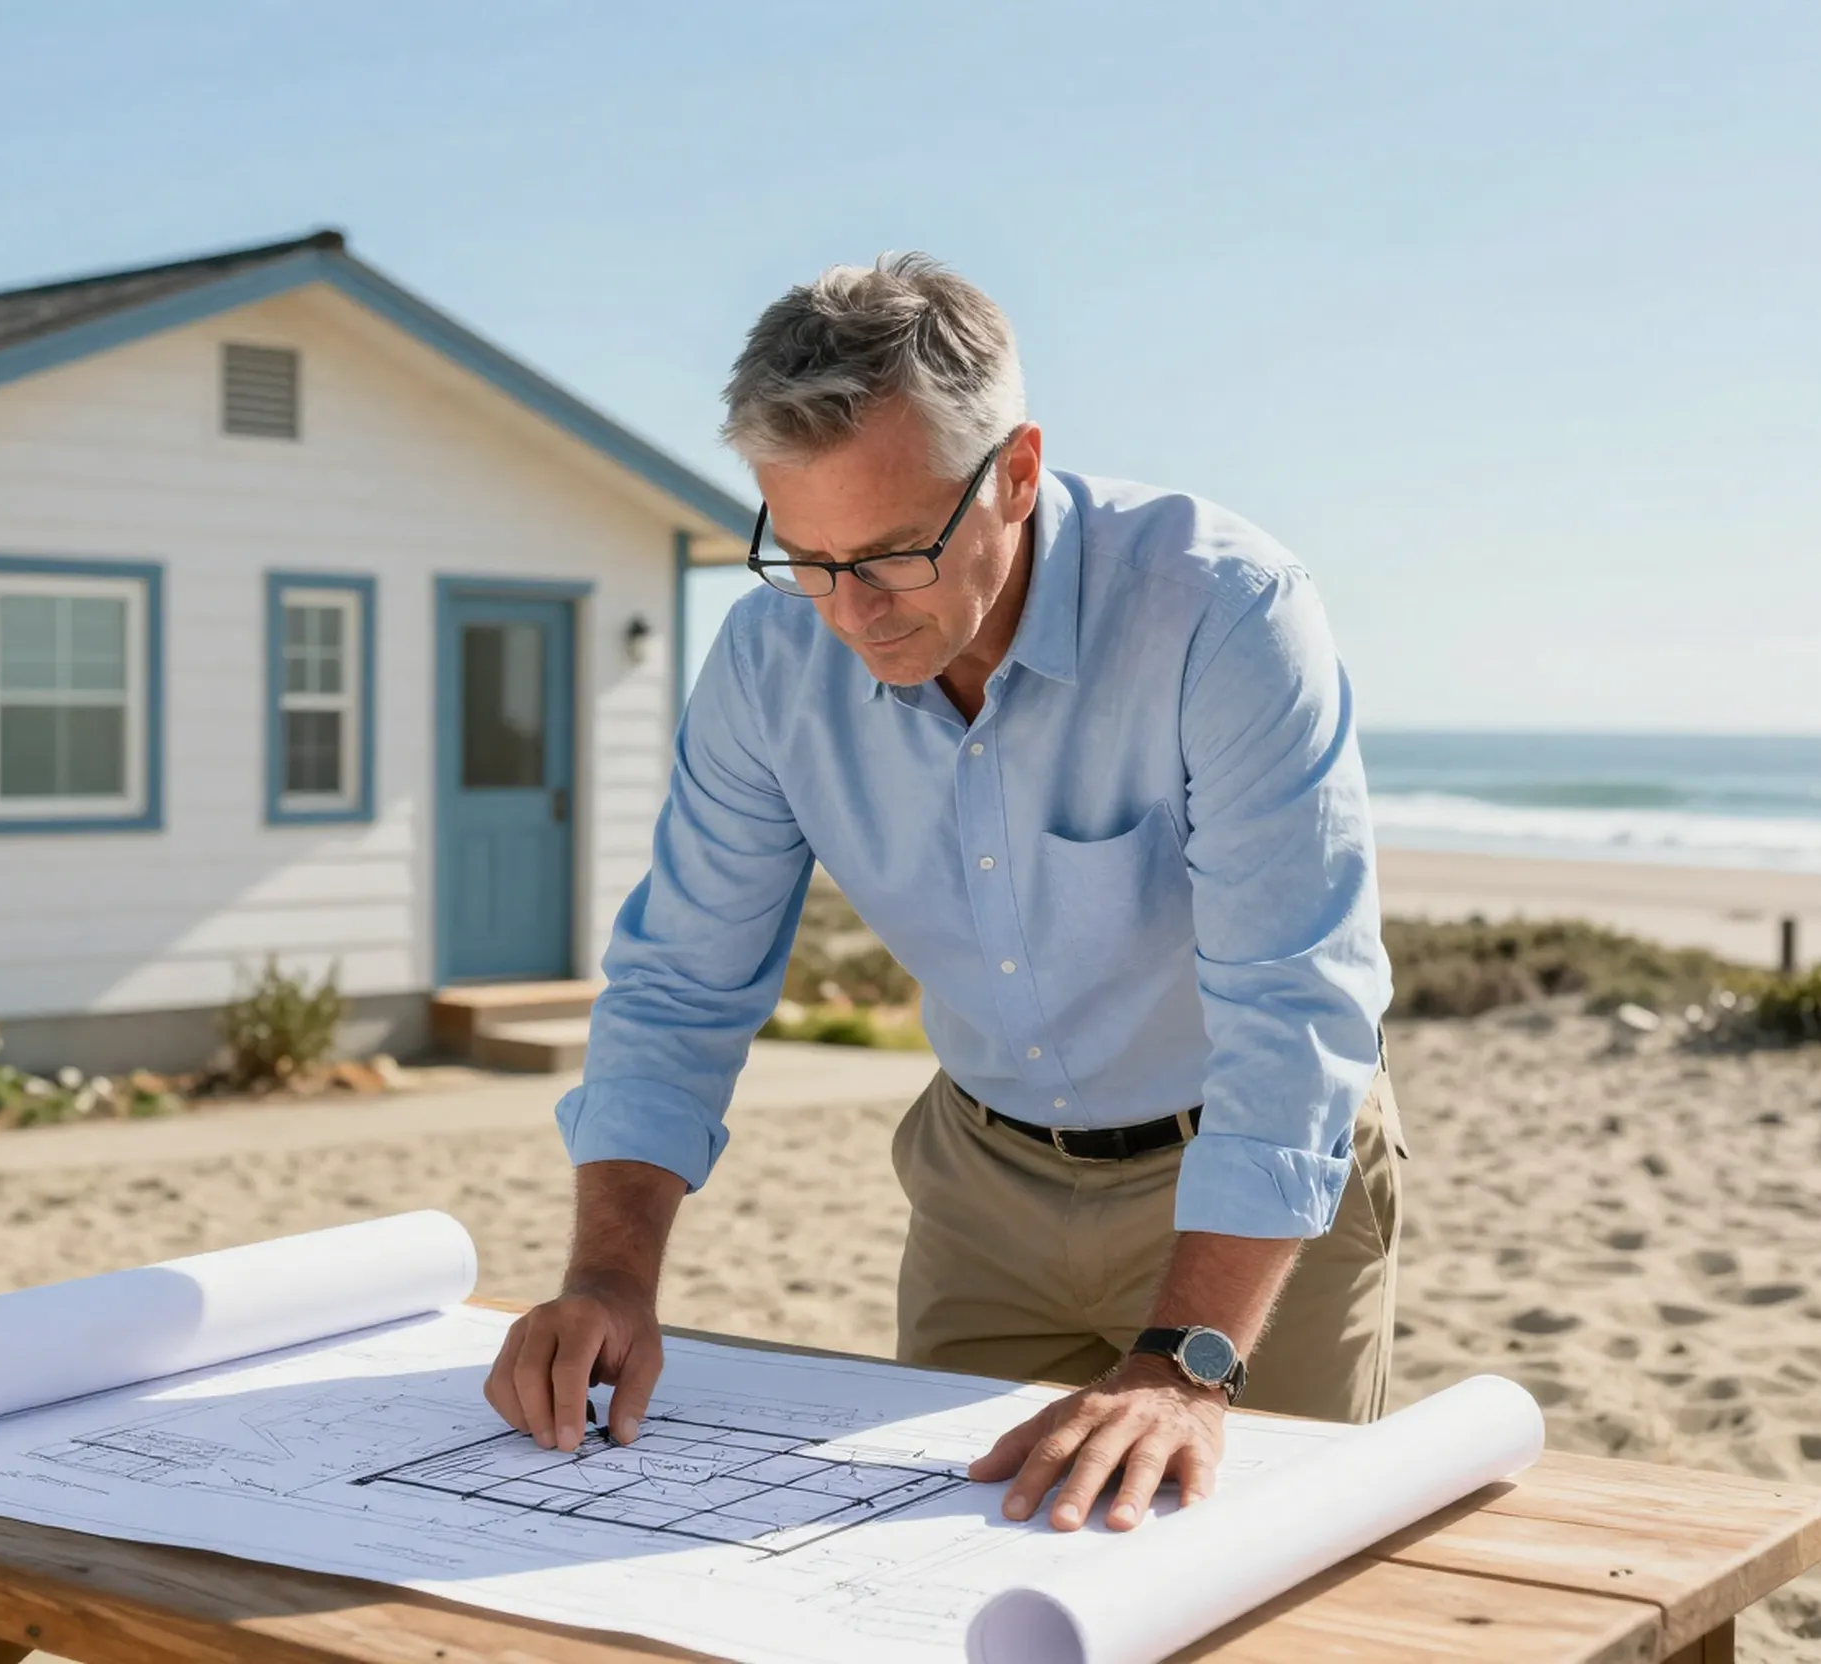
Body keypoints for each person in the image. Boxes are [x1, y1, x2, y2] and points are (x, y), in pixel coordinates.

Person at [483, 253, 1403, 1534]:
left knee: (1250, 1582)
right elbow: (681, 981)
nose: (848, 611)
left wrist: (1186, 1362)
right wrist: (609, 1278)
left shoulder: (1221, 610)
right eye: (803, 555)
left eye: (893, 553)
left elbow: (1296, 1003)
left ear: (1016, 473)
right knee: (938, 1575)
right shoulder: (768, 663)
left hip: (1248, 1186)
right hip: (981, 1185)